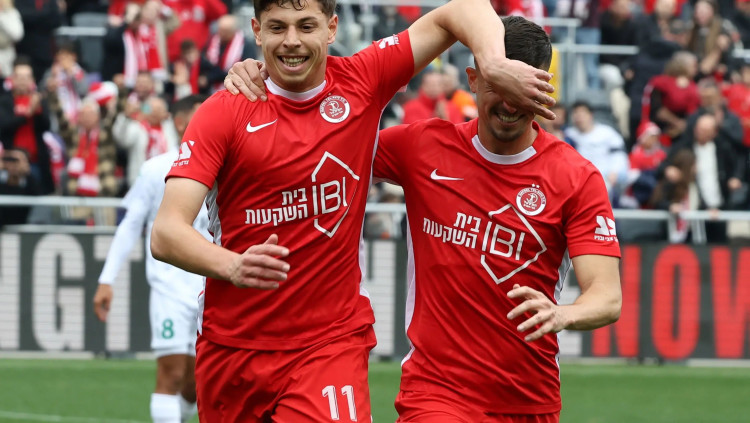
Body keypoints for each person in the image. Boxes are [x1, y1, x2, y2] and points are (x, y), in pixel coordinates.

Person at [151, 0, 556, 421]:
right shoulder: (224, 111)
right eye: (278, 27)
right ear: (256, 31)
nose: (292, 41)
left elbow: (464, 8)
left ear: (331, 28)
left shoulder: (364, 79)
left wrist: (493, 65)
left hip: (330, 343)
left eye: (306, 26)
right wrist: (232, 265)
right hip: (232, 347)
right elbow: (166, 232)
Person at [227, 15, 621, 423]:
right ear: (473, 80)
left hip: (530, 400)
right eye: (498, 86)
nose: (509, 104)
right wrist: (271, 81)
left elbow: (607, 297)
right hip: (435, 393)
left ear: (546, 89)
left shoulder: (576, 178)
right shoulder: (422, 146)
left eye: (523, 91)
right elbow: (319, 144)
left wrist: (563, 314)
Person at [93, 95, 208, 423]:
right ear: (180, 122)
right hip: (169, 288)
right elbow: (131, 224)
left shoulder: (227, 167)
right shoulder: (156, 169)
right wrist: (106, 279)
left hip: (212, 288)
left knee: (196, 384)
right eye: (200, 116)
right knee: (171, 373)